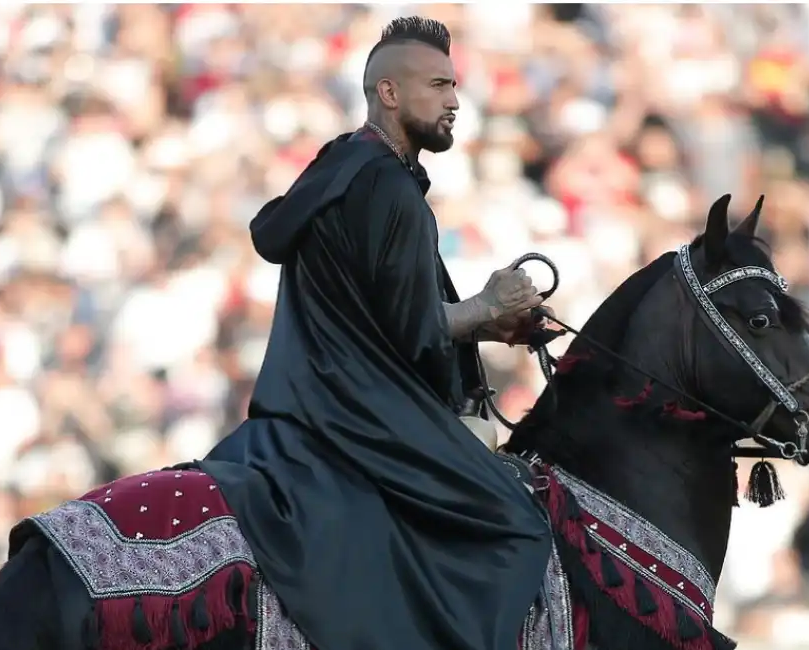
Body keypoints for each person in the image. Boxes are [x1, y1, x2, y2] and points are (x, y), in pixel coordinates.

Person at [202, 16, 552, 650]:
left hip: (307, 404)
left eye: (456, 87)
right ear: (388, 94)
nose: (454, 101)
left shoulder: (343, 164)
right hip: (362, 414)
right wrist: (486, 303)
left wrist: (489, 323)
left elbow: (375, 315)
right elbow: (411, 332)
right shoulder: (389, 186)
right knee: (516, 526)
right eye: (439, 85)